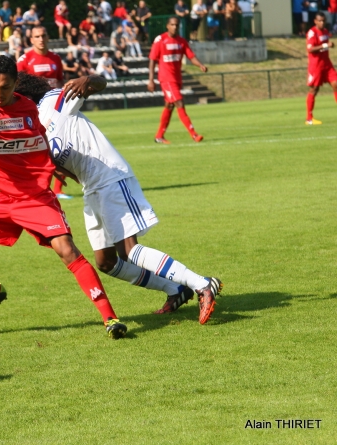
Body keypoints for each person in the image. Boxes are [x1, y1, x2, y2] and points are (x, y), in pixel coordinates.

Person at [0, 56, 127, 339]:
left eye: (4, 87)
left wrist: (60, 170)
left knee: (67, 250)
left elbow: (40, 146)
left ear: (16, 83)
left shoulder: (27, 109)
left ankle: (110, 318)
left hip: (35, 198)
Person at [15, 73, 224, 324]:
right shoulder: (31, 130)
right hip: (92, 187)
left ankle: (202, 284)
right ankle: (175, 289)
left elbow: (101, 82)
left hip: (110, 176)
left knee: (130, 250)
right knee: (106, 261)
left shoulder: (52, 101)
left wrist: (88, 79)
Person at [16, 25, 68, 199]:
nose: (41, 39)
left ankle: (59, 189)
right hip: (35, 110)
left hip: (55, 106)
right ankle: (37, 186)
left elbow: (60, 80)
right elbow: (18, 86)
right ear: (31, 39)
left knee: (61, 143)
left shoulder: (55, 58)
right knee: (38, 147)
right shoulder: (25, 60)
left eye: (43, 35)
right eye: (37, 36)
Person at [148, 17, 207, 144]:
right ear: (167, 26)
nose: (175, 27)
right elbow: (152, 60)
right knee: (179, 103)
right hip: (166, 78)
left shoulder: (181, 41)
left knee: (169, 105)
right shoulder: (160, 40)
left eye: (177, 25)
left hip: (177, 78)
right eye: (172, 24)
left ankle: (159, 136)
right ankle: (194, 134)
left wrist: (200, 65)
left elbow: (191, 56)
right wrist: (151, 80)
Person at [305, 12, 337, 125]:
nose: (322, 22)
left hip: (327, 63)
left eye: (323, 20)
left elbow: (327, 42)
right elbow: (310, 49)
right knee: (314, 89)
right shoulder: (312, 33)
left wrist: (331, 44)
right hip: (316, 65)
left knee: (336, 84)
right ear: (315, 21)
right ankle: (309, 118)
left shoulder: (325, 31)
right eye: (320, 21)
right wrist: (325, 46)